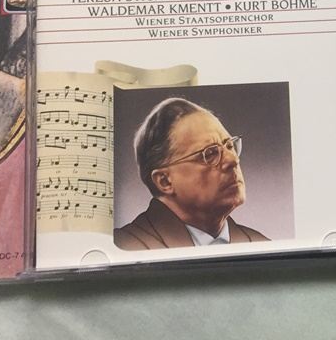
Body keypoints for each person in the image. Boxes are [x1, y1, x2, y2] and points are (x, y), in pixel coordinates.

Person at [114, 97, 268, 250]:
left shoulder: (260, 244)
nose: (233, 160)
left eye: (229, 146)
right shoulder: (128, 246)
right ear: (164, 181)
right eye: (210, 154)